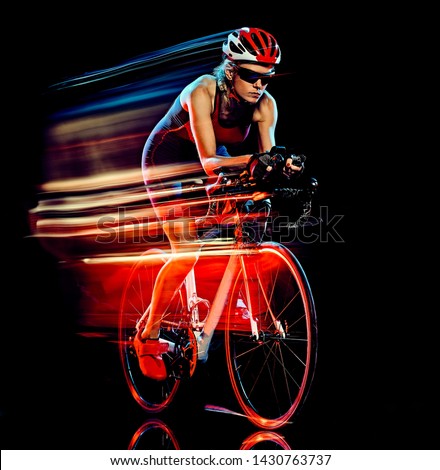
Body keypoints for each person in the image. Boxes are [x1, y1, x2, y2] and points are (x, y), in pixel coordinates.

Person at [135, 26, 303, 380]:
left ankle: (235, 299)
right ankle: (147, 336)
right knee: (186, 253)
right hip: (169, 160)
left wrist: (282, 170)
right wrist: (261, 162)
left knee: (247, 217)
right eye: (251, 76)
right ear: (230, 68)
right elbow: (210, 160)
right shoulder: (202, 91)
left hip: (214, 159)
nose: (259, 85)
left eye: (267, 78)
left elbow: (265, 158)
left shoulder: (265, 105)